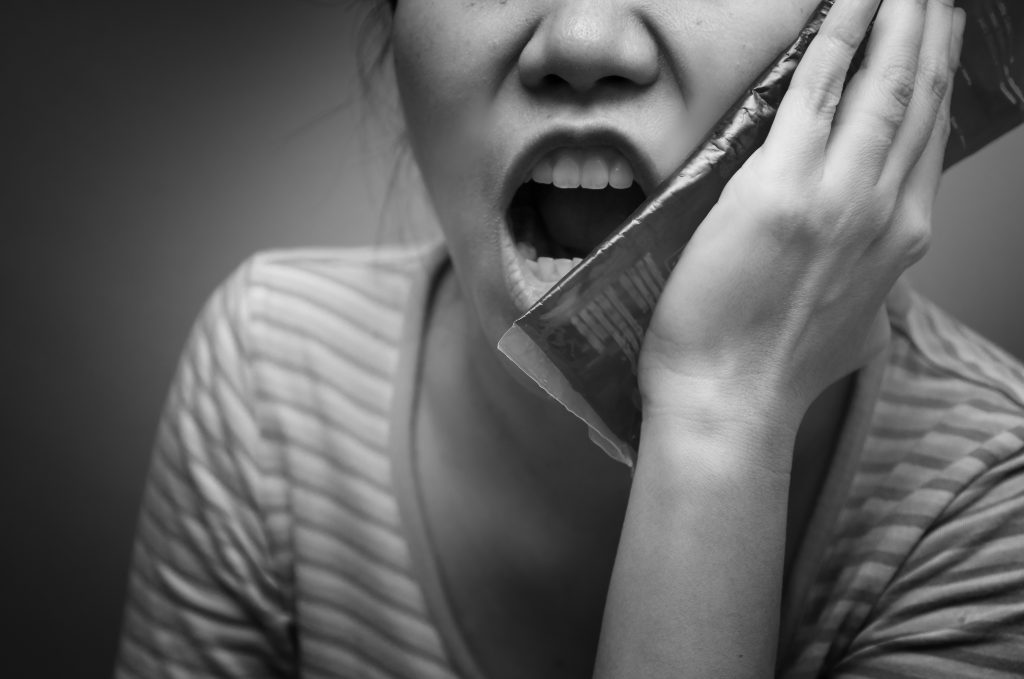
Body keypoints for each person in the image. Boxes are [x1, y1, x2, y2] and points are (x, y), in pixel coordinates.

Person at [114, 0, 1024, 677]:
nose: (583, 44)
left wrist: (719, 413)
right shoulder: (273, 372)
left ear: (893, 33)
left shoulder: (989, 498)